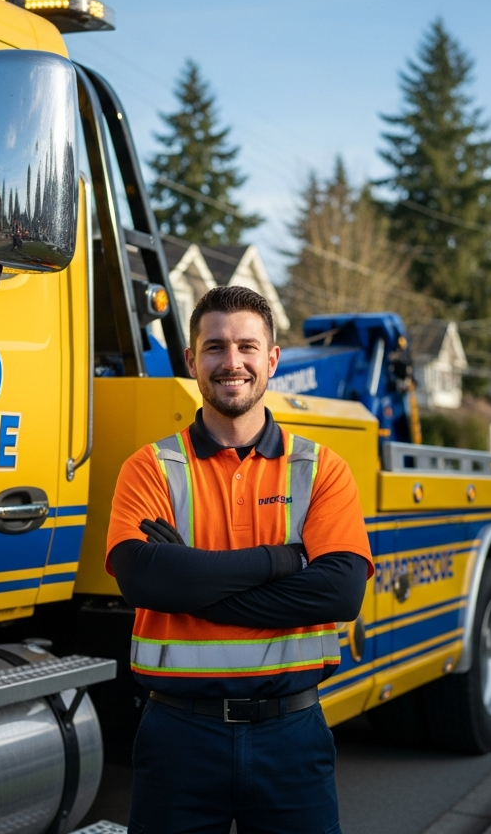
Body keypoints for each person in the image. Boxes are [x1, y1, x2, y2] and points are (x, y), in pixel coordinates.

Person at [106, 285, 372, 834]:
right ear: (191, 360)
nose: (233, 362)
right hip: (179, 736)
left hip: (292, 736)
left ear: (271, 359)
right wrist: (284, 560)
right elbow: (142, 580)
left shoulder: (320, 469)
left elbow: (340, 593)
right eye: (215, 347)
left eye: (248, 347)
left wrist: (191, 580)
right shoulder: (151, 466)